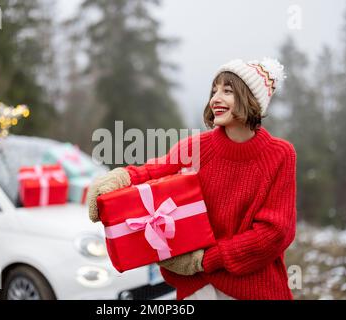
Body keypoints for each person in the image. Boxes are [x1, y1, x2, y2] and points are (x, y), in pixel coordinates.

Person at [87, 58, 297, 300]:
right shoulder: (197, 147)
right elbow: (154, 170)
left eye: (227, 91)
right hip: (199, 290)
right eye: (214, 90)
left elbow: (275, 233)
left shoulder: (280, 155)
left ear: (251, 99)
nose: (215, 98)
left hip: (254, 290)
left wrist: (206, 260)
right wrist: (119, 178)